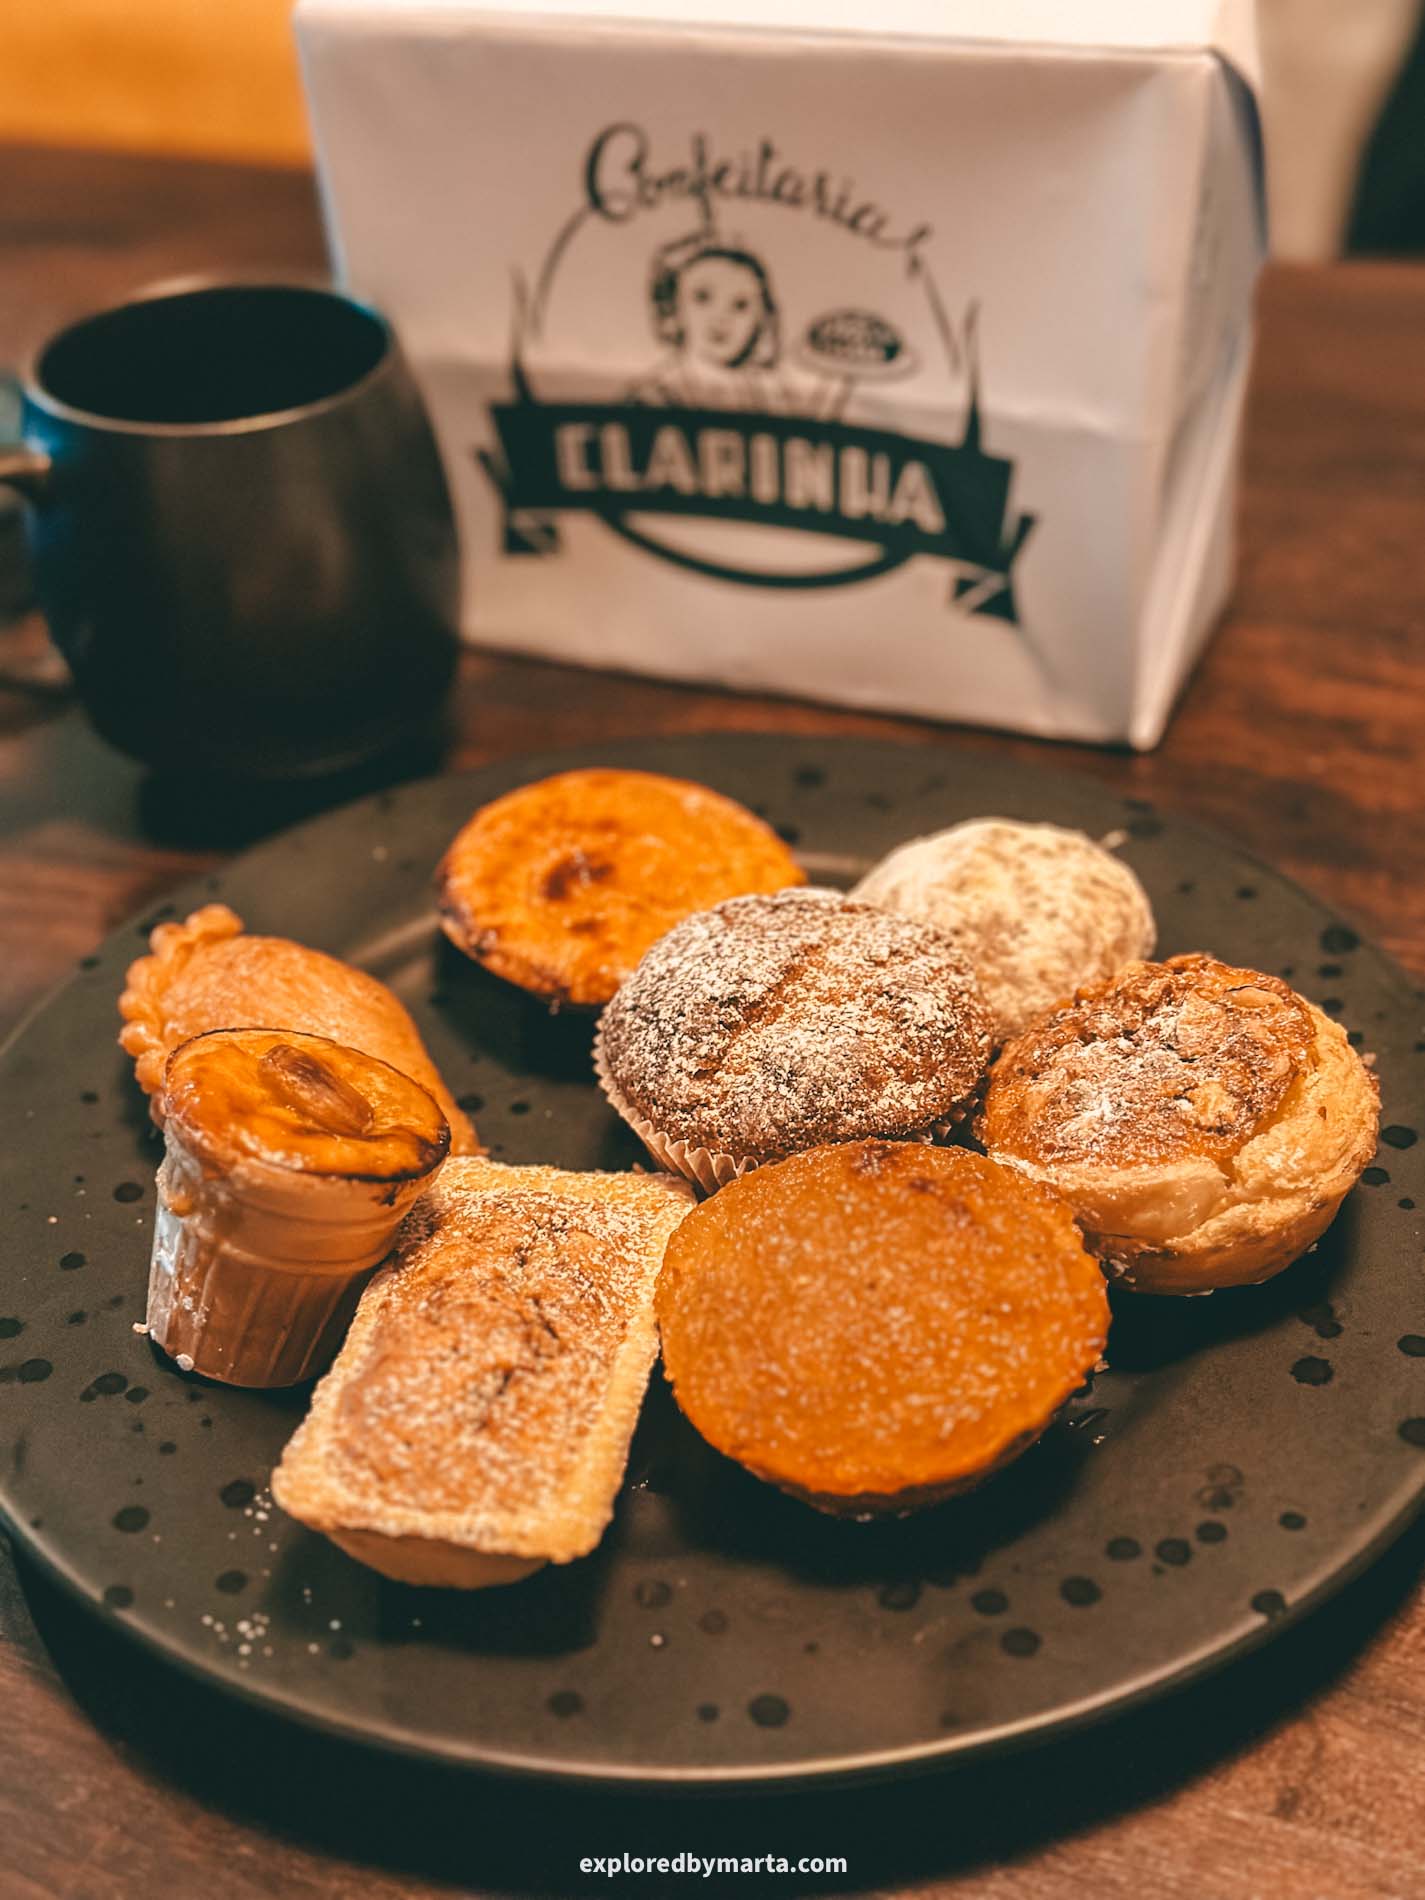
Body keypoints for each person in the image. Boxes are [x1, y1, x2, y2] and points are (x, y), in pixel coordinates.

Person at [628, 233, 820, 413]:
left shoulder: (773, 396)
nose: (722, 319)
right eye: (702, 298)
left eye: (740, 306)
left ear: (761, 320)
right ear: (673, 307)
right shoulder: (653, 396)